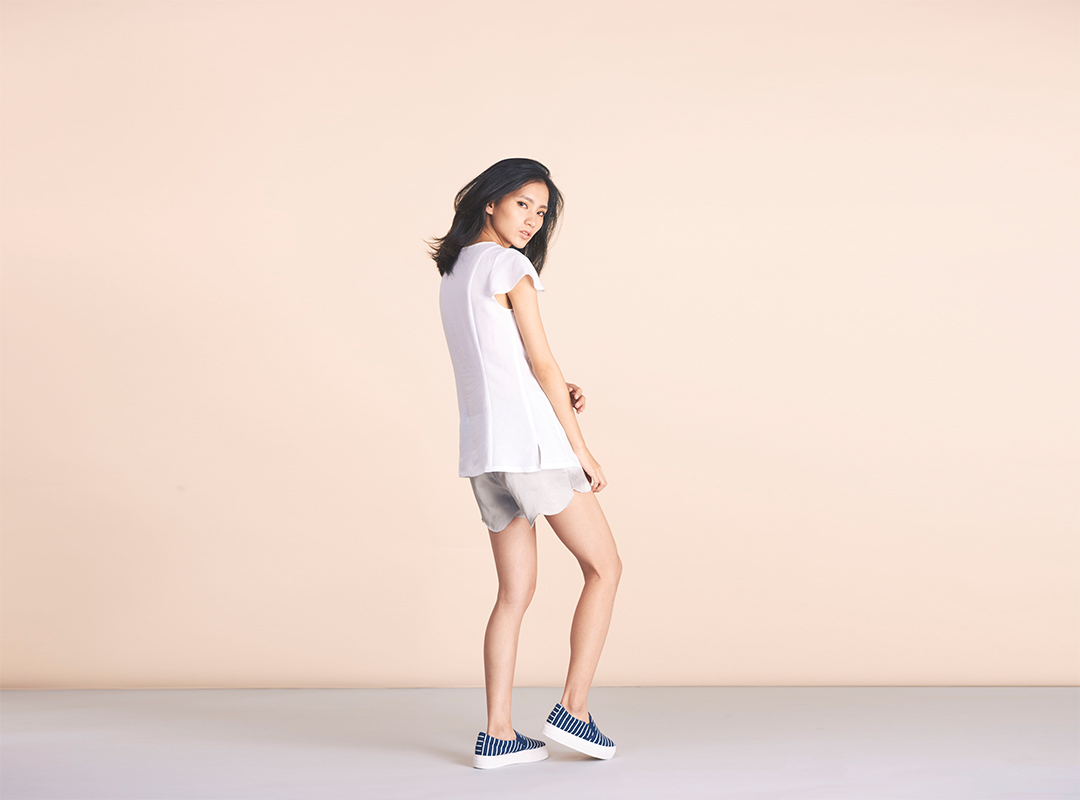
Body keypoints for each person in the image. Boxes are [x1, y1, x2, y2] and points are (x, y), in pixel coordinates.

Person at [430, 158, 623, 770]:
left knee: (513, 593)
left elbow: (497, 363)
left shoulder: (455, 271)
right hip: (533, 448)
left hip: (485, 452)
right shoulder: (511, 266)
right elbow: (541, 363)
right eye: (523, 205)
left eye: (541, 213)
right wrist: (581, 449)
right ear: (490, 201)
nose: (533, 221)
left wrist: (559, 390)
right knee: (605, 568)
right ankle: (573, 709)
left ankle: (497, 734)